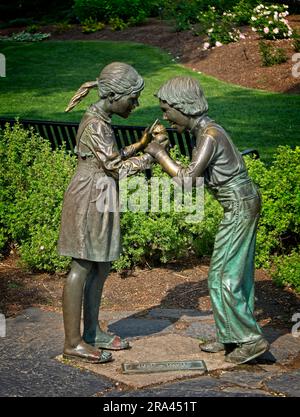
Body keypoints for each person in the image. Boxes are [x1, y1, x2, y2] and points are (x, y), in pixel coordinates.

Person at [145, 76, 270, 364]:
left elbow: (188, 181)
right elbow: (197, 178)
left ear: (183, 107)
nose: (165, 117)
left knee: (223, 275)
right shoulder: (204, 133)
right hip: (241, 203)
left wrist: (159, 153)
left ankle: (250, 340)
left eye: (167, 110)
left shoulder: (210, 136)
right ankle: (231, 334)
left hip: (239, 206)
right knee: (234, 274)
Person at [58, 62, 167, 363]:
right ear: (113, 95)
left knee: (101, 265)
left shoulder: (101, 120)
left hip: (100, 193)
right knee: (81, 265)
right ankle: (72, 342)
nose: (136, 104)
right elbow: (115, 168)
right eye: (132, 98)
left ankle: (92, 332)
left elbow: (111, 157)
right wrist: (151, 156)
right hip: (89, 197)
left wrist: (139, 144)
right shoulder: (95, 124)